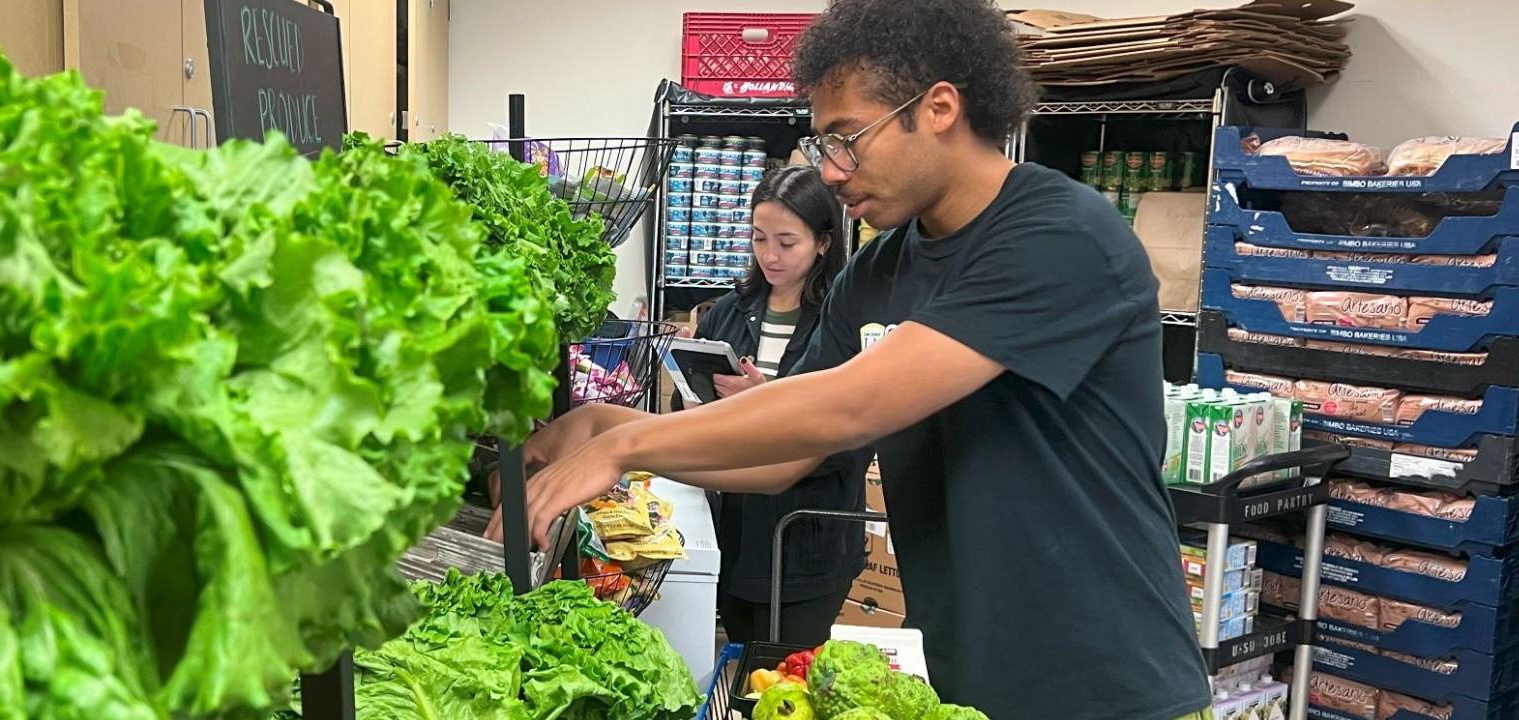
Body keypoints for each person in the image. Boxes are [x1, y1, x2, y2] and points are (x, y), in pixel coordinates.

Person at [490, 1, 1213, 719]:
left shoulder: (1060, 236)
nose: (832, 173)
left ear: (937, 108)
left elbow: (850, 404)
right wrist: (598, 422)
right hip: (963, 674)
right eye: (823, 146)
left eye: (847, 138)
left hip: (1112, 682)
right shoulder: (879, 271)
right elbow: (783, 452)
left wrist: (624, 447)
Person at [674, 165, 868, 647]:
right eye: (759, 239)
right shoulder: (727, 310)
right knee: (742, 666)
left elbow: (855, 436)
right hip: (735, 531)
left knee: (787, 677)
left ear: (824, 242)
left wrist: (765, 403)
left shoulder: (844, 321)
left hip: (806, 536)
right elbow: (689, 408)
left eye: (786, 242)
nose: (769, 255)